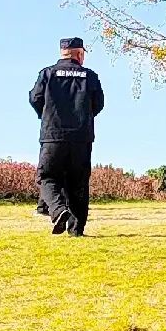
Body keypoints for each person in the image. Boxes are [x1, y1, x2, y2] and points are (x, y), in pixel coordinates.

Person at [29, 37, 105, 236]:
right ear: (79, 54)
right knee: (78, 182)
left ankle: (58, 210)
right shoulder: (90, 76)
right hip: (81, 137)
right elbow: (99, 103)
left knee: (46, 176)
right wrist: (83, 118)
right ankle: (76, 230)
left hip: (53, 135)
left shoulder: (47, 73)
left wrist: (46, 116)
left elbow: (35, 98)